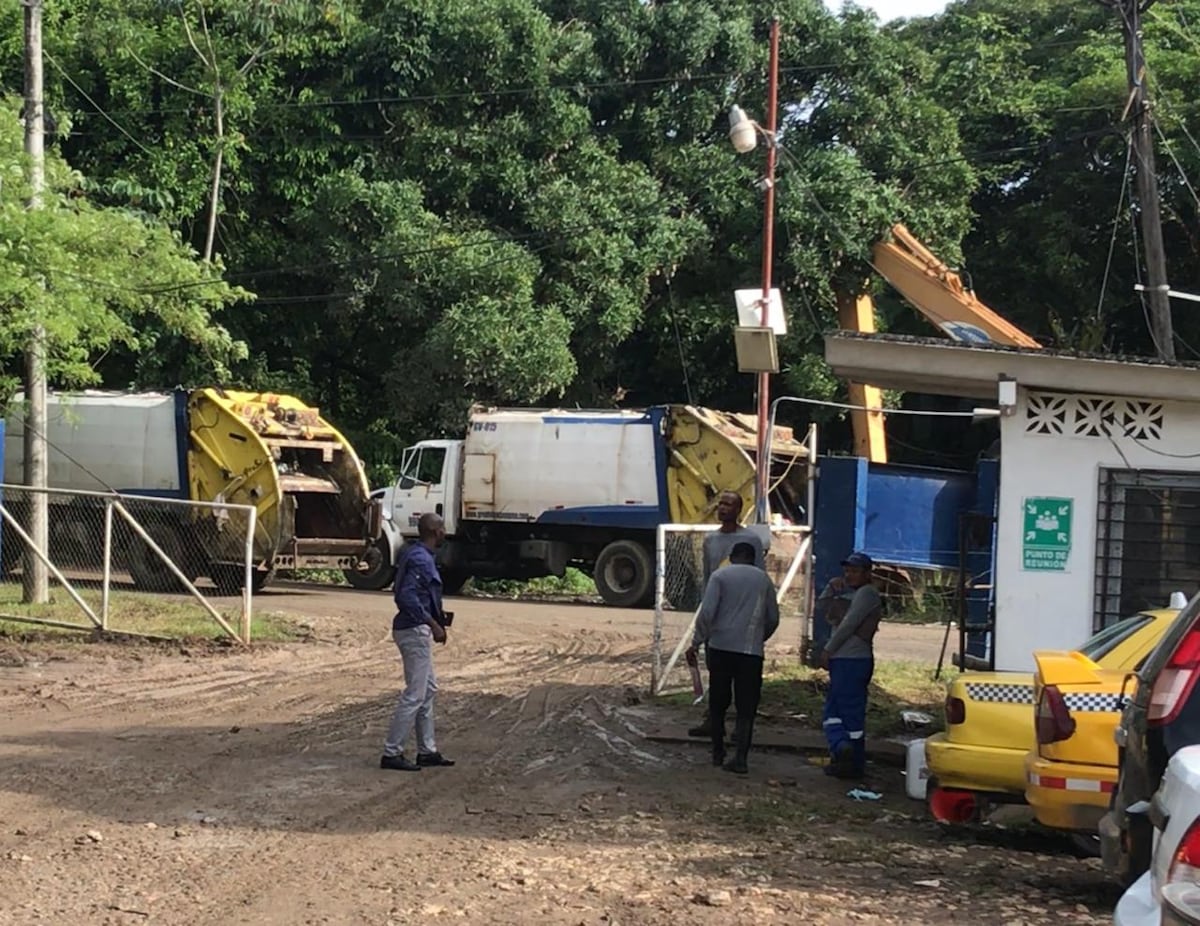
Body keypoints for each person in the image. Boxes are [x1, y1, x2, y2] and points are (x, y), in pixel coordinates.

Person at [686, 542, 779, 775]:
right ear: (754, 558)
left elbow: (707, 612)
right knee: (747, 706)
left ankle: (718, 752)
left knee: (718, 702)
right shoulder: (763, 580)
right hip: (750, 652)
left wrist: (697, 641)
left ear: (732, 556)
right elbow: (773, 618)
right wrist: (758, 637)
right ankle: (741, 758)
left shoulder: (720, 576)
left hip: (720, 647)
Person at [688, 490, 768, 740]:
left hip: (742, 612)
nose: (723, 508)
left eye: (729, 504)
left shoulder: (750, 539)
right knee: (717, 670)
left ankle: (740, 729)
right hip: (717, 611)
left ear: (738, 510)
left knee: (743, 678)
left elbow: (760, 577)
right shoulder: (711, 540)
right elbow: (707, 575)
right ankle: (714, 720)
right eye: (721, 504)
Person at [380, 512, 456, 772]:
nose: (444, 532)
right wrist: (433, 624)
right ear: (435, 532)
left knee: (428, 689)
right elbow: (406, 597)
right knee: (415, 694)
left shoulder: (416, 554)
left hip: (412, 628)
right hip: (414, 631)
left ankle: (427, 751)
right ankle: (392, 752)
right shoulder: (421, 559)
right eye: (442, 528)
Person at [817, 551, 883, 779]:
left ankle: (851, 758)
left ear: (867, 573)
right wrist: (831, 588)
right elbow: (823, 609)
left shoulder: (867, 594)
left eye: (854, 571)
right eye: (847, 571)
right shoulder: (850, 594)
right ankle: (841, 753)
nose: (849, 575)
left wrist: (828, 649)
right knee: (834, 711)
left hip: (853, 660)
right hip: (843, 660)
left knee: (849, 712)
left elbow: (849, 624)